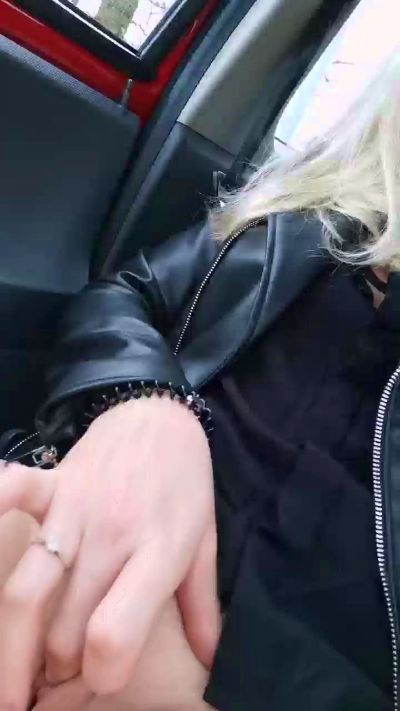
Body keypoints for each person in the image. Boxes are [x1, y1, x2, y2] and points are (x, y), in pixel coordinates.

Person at [0, 51, 399, 711]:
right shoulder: (296, 222)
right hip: (60, 534)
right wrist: (147, 402)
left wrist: (199, 677)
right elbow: (126, 295)